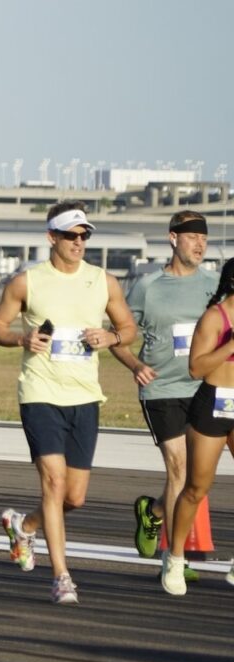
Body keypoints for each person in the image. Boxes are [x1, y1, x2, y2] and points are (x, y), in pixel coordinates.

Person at [0, 202, 136, 605]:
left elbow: (127, 327)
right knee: (53, 483)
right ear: (52, 237)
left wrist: (112, 339)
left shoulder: (103, 281)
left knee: (74, 497)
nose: (79, 242)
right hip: (40, 393)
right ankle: (62, 576)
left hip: (85, 396)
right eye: (71, 235)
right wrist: (22, 339)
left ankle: (25, 526)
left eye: (84, 235)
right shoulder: (26, 282)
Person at [111, 211, 218, 570]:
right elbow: (119, 335)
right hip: (161, 389)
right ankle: (175, 557)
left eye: (203, 238)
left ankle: (153, 511)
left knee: (196, 477)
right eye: (192, 237)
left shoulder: (215, 284)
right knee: (180, 470)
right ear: (173, 239)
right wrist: (135, 365)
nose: (199, 244)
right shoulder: (148, 285)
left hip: (207, 388)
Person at [161, 258, 234, 594]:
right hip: (214, 404)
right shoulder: (214, 317)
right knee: (196, 487)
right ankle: (175, 557)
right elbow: (195, 368)